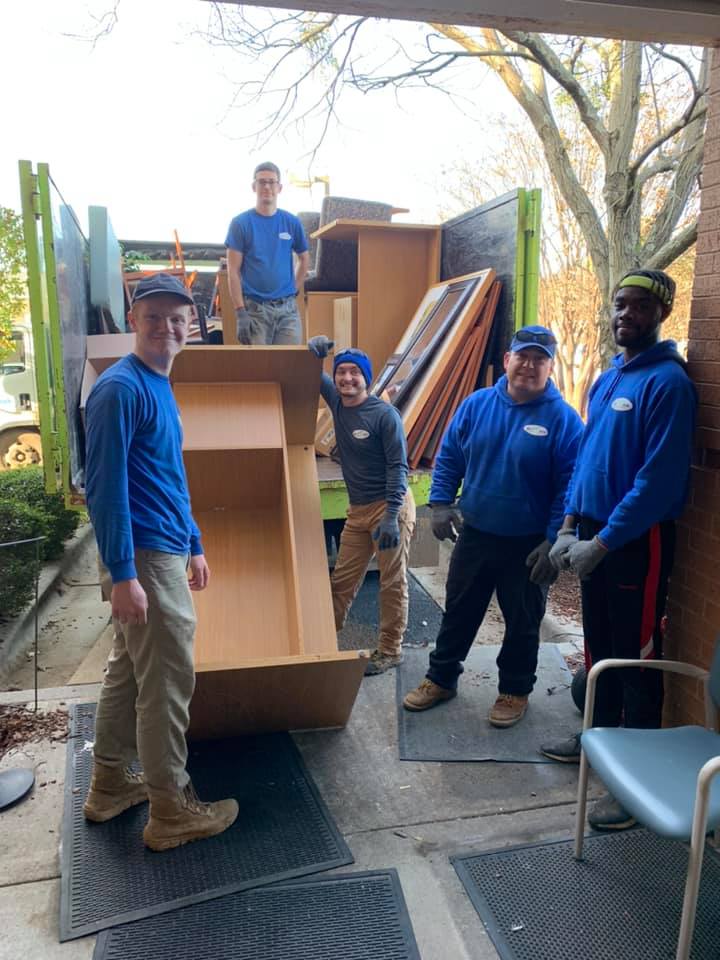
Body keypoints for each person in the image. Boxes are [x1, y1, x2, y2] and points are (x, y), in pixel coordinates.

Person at [82, 273, 239, 851]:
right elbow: (105, 489)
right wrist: (124, 574)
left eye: (178, 318)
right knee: (168, 683)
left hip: (164, 549)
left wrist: (194, 540)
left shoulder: (157, 383)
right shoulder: (120, 389)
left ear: (190, 327)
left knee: (128, 672)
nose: (166, 327)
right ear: (134, 321)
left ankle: (108, 785)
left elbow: (166, 474)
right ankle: (171, 810)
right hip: (144, 559)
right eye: (153, 316)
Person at [542, 269, 697, 831]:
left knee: (636, 655)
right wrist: (568, 524)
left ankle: (641, 784)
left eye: (636, 307)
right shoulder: (608, 379)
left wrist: (605, 542)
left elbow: (657, 482)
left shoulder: (668, 384)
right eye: (617, 304)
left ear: (661, 313)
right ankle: (597, 741)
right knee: (601, 646)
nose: (622, 315)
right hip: (591, 532)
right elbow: (587, 460)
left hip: (637, 543)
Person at [402, 325, 584, 727]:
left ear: (550, 366)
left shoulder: (564, 421)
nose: (529, 365)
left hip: (529, 544)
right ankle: (441, 678)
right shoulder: (476, 405)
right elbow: (450, 455)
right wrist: (441, 503)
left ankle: (514, 691)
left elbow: (571, 486)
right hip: (477, 534)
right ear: (507, 360)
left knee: (522, 622)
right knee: (460, 610)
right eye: (523, 356)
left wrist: (555, 539)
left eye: (539, 359)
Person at [308, 336, 416, 675]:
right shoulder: (338, 404)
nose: (347, 379)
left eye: (355, 373)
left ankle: (390, 649)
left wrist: (390, 517)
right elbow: (312, 371)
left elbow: (399, 467)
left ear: (366, 378)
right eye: (342, 372)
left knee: (391, 581)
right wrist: (315, 349)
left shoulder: (384, 416)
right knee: (342, 580)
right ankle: (320, 643)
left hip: (390, 508)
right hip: (358, 511)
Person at [225, 161, 310, 345]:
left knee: (288, 368)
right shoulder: (241, 224)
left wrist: (293, 288)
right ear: (254, 186)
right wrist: (240, 312)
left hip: (287, 312)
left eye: (271, 182)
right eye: (262, 182)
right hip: (255, 311)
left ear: (279, 187)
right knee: (258, 369)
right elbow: (232, 271)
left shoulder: (291, 222)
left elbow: (304, 259)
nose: (267, 186)